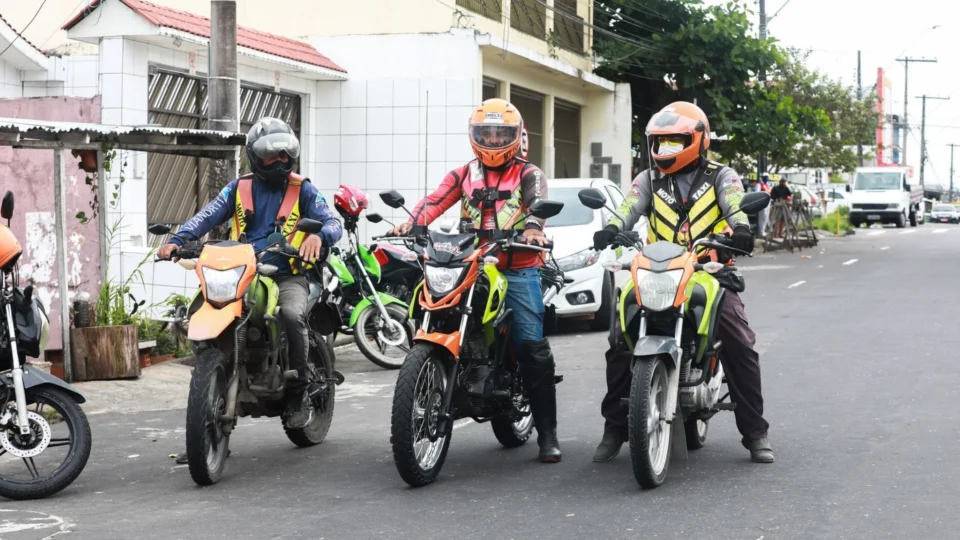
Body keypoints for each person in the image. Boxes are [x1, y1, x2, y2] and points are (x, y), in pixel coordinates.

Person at [590, 101, 774, 464]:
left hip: (709, 270)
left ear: (698, 140)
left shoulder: (723, 176)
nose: (664, 151)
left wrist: (740, 230)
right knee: (619, 339)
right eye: (659, 143)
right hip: (657, 269)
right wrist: (612, 229)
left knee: (739, 342)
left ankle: (755, 433)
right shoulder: (647, 179)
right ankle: (614, 428)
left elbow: (735, 204)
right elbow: (629, 206)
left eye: (674, 142)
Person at [387, 98, 561, 463]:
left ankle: (547, 433)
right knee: (428, 304)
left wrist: (532, 228)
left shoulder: (530, 174)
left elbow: (537, 207)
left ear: (516, 136)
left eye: (502, 134)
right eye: (487, 133)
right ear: (474, 136)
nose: (495, 140)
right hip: (469, 262)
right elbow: (433, 202)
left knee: (530, 343)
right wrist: (411, 221)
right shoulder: (464, 174)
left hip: (516, 265)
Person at [157, 117, 343, 444]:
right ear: (255, 156)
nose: (281, 160)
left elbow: (332, 220)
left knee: (290, 315)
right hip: (242, 271)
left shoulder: (303, 188)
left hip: (290, 273)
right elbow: (207, 215)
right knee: (201, 307)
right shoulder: (238, 188)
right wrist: (179, 239)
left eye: (286, 154)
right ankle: (205, 409)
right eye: (273, 155)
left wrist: (321, 237)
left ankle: (299, 392)